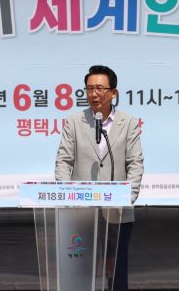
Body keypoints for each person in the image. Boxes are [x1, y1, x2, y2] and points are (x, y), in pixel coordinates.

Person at [55, 65, 144, 291]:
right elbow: (64, 161)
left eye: (99, 88)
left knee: (116, 270)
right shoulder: (74, 121)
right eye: (89, 88)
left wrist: (128, 197)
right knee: (80, 270)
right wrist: (67, 195)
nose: (93, 94)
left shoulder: (129, 122)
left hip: (118, 210)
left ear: (113, 92)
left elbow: (135, 163)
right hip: (81, 211)